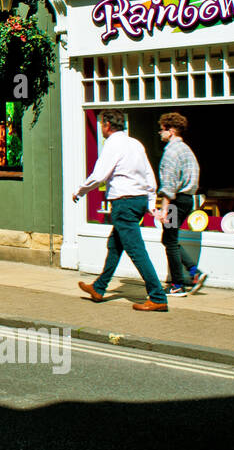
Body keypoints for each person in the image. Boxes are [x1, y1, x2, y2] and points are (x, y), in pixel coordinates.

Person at [73, 109, 168, 311]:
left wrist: (80, 192)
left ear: (107, 125)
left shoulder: (112, 144)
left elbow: (99, 175)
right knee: (115, 245)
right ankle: (99, 288)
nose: (101, 128)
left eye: (101, 125)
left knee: (136, 250)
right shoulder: (135, 144)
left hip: (124, 203)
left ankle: (158, 297)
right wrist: (150, 203)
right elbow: (150, 176)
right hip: (139, 201)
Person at [156, 112, 208, 296]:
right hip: (187, 199)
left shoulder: (171, 152)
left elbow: (169, 185)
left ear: (170, 131)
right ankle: (194, 272)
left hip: (176, 201)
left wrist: (164, 210)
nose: (160, 133)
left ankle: (178, 284)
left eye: (162, 130)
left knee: (169, 241)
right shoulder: (187, 149)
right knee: (169, 239)